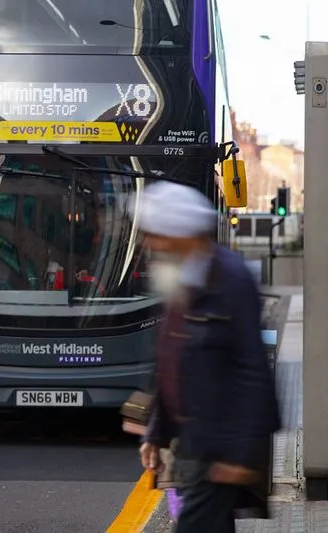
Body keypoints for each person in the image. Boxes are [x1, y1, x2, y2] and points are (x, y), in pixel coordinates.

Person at [136, 181, 281, 532]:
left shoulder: (229, 278)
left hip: (220, 445)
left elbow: (253, 369)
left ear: (179, 233)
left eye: (154, 234)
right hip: (193, 442)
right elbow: (170, 360)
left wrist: (241, 454)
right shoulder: (183, 277)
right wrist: (156, 432)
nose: (149, 243)